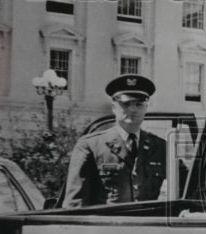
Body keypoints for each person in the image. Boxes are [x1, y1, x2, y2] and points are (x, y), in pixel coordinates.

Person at [62, 74, 166, 207]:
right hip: (106, 226)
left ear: (146, 107)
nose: (133, 109)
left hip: (149, 226)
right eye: (126, 104)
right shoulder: (91, 146)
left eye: (139, 104)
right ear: (114, 107)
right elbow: (76, 203)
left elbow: (189, 185)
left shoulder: (160, 147)